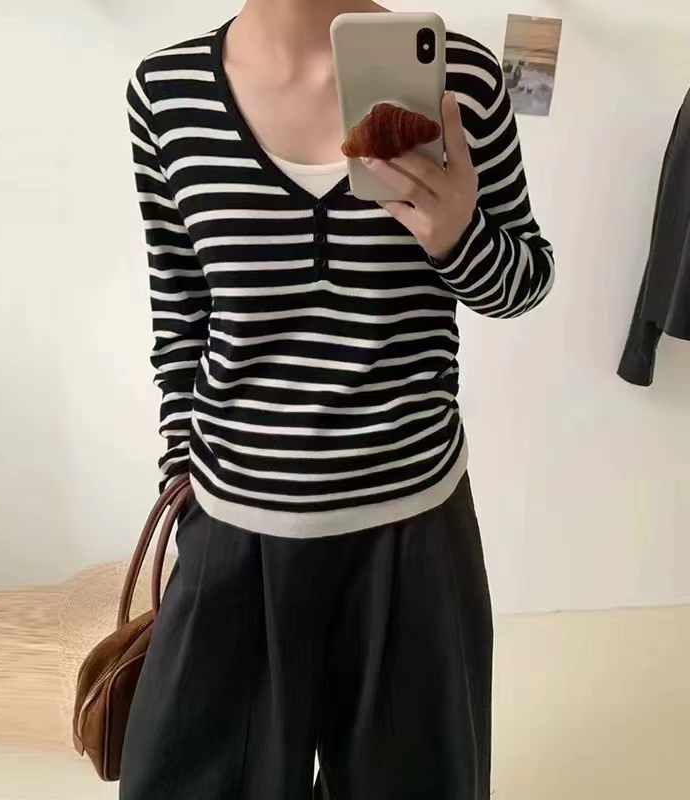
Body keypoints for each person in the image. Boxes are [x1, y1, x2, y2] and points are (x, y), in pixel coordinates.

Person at [120, 2, 555, 799]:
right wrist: (181, 480)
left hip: (413, 535)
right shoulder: (166, 91)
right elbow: (180, 310)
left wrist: (458, 236)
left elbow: (525, 280)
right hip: (234, 530)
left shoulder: (459, 80)